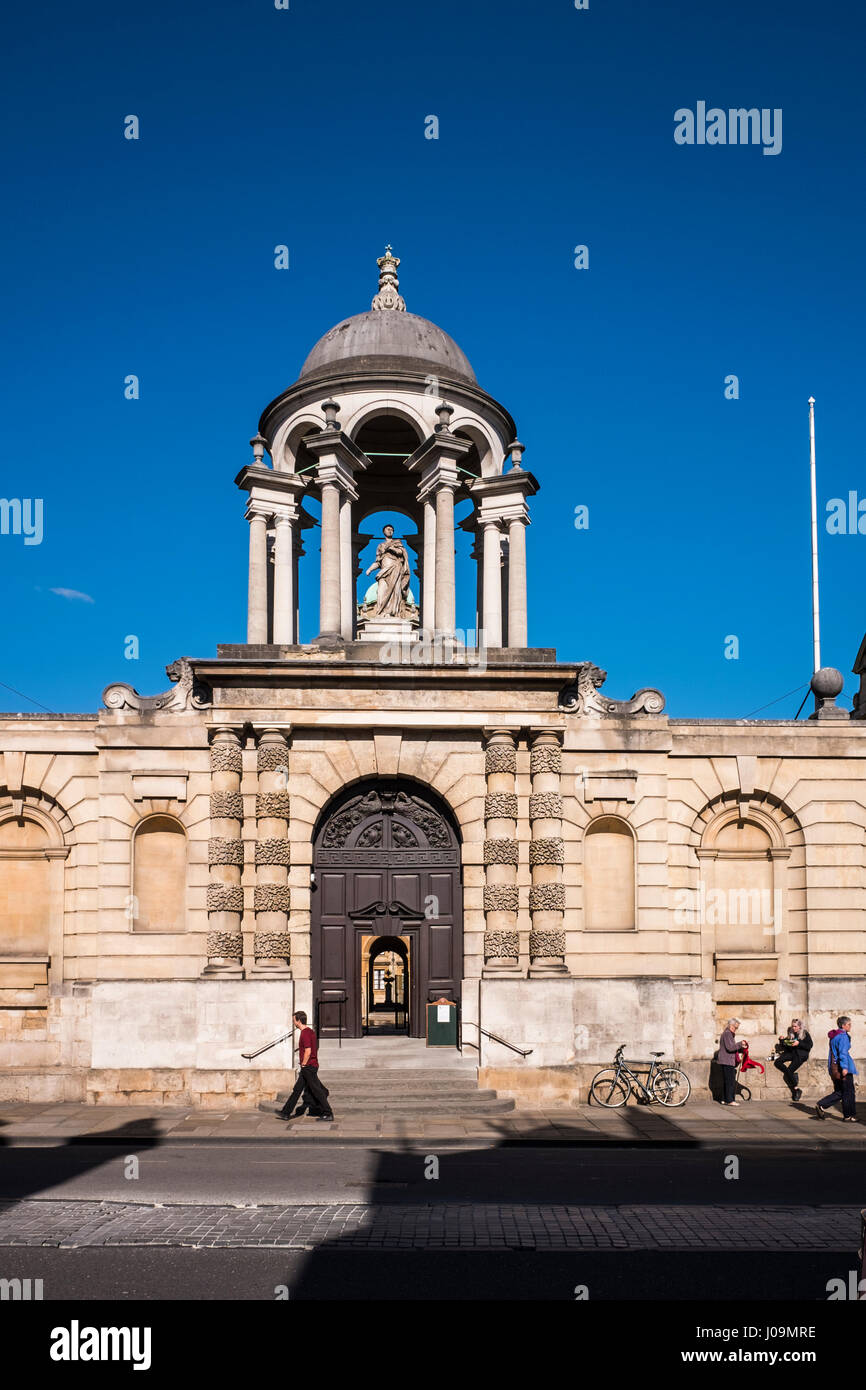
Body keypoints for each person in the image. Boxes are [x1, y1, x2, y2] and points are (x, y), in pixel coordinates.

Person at [277, 1011, 334, 1123]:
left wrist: (303, 1064)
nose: (293, 1022)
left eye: (294, 1020)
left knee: (317, 1090)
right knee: (297, 1090)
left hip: (308, 1066)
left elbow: (308, 1051)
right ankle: (285, 1113)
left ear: (299, 1021)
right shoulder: (310, 1032)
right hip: (309, 1066)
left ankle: (328, 1113)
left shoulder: (305, 1033)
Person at [815, 1016, 858, 1122]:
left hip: (834, 1067)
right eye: (849, 1024)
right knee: (849, 1092)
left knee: (840, 1091)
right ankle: (848, 1116)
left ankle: (822, 1105)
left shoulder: (835, 1036)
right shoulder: (843, 1036)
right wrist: (844, 1067)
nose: (850, 1026)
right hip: (842, 1067)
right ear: (843, 1025)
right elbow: (842, 1053)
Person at [773, 1018, 813, 1103]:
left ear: (799, 1027)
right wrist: (782, 1040)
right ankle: (791, 1075)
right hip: (791, 1053)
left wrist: (799, 1043)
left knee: (789, 1071)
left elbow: (809, 1045)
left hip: (801, 1055)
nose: (793, 1028)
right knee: (777, 1062)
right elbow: (787, 1045)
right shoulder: (791, 1033)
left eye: (795, 1026)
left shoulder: (805, 1033)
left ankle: (796, 1089)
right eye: (792, 1026)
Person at [718, 1018, 745, 1106]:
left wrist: (741, 1047)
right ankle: (730, 1100)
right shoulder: (727, 1034)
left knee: (727, 1081)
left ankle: (724, 1099)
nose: (736, 1029)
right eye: (735, 1027)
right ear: (731, 1025)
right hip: (727, 1061)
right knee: (730, 1081)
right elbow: (730, 1047)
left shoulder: (727, 1033)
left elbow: (731, 1046)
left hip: (726, 1060)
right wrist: (741, 1043)